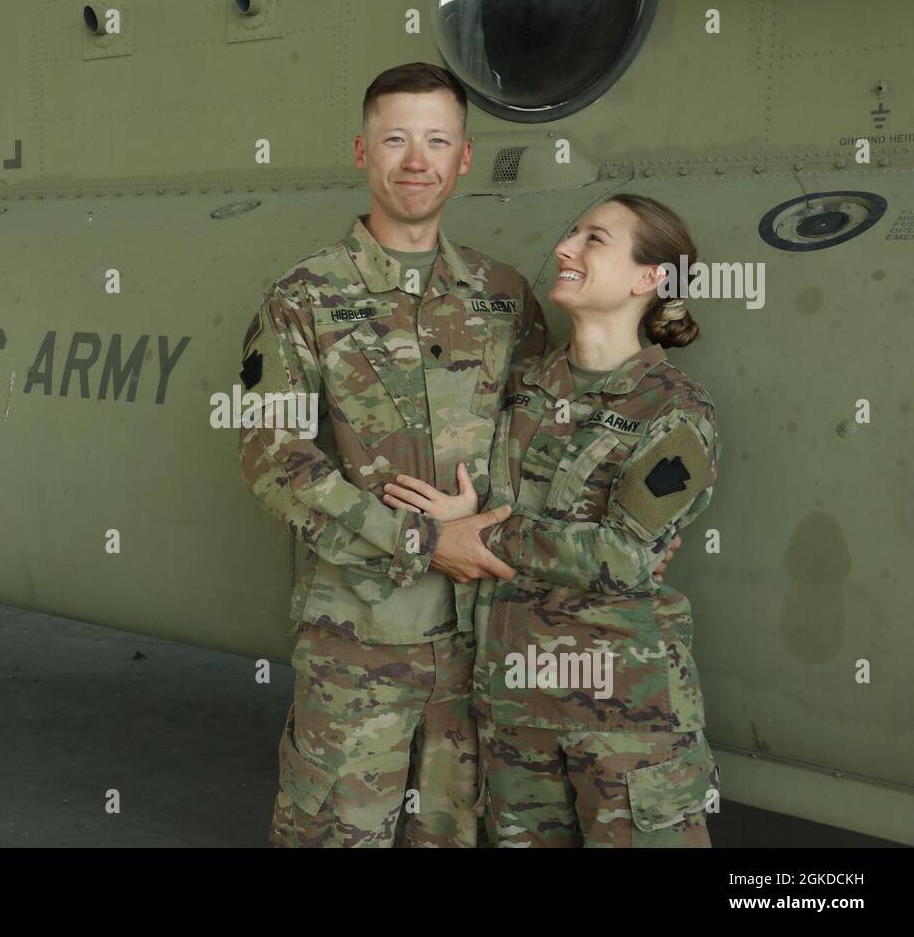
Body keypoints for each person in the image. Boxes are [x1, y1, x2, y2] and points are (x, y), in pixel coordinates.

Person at [236, 61, 545, 847]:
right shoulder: (302, 299)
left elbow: (539, 442)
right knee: (337, 833)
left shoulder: (503, 297)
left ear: (464, 157)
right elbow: (274, 460)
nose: (417, 160)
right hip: (358, 645)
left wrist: (502, 532)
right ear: (362, 152)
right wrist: (425, 539)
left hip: (479, 643)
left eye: (437, 140)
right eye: (396, 139)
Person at [384, 194, 719, 847]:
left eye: (594, 239)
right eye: (571, 233)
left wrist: (487, 532)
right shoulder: (521, 392)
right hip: (514, 714)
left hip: (624, 721)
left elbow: (623, 557)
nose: (565, 248)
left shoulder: (675, 413)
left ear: (650, 279)